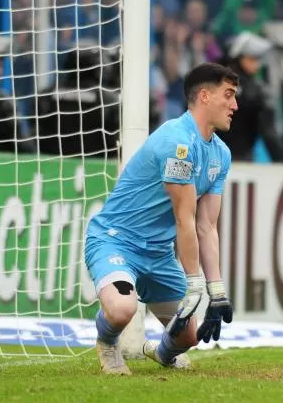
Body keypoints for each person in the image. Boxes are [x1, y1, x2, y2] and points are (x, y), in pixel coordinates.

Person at [84, 63, 238, 375]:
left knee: (189, 336)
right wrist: (195, 285)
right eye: (229, 95)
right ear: (205, 97)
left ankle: (163, 355)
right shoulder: (177, 143)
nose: (235, 105)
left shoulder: (221, 154)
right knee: (121, 310)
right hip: (116, 241)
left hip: (158, 254)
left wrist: (217, 292)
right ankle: (107, 342)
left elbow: (206, 227)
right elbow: (185, 219)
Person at [221, 33, 283, 162]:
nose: (257, 64)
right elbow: (269, 135)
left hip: (209, 162)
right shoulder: (257, 91)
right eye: (252, 59)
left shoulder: (210, 85)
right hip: (241, 161)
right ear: (238, 59)